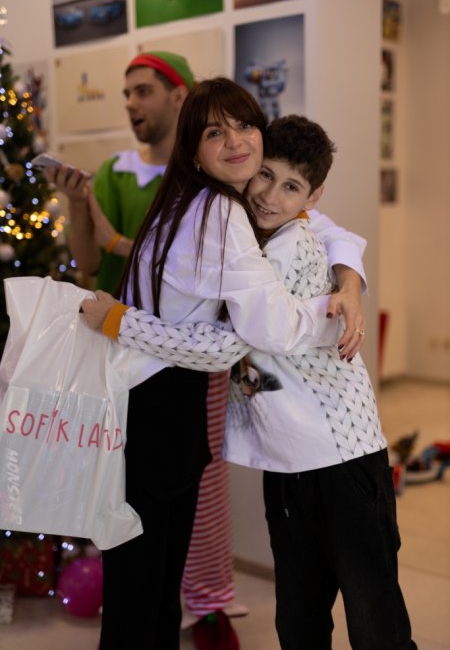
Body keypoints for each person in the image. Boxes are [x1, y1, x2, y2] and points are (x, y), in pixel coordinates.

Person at [80, 77, 369, 649]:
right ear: (194, 148)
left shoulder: (193, 198)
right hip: (158, 410)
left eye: (244, 125)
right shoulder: (220, 211)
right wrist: (333, 318)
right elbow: (243, 339)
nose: (235, 141)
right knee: (145, 590)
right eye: (215, 132)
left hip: (151, 407)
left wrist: (350, 281)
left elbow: (325, 226)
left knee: (149, 588)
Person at [45, 52, 247, 625]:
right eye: (126, 93)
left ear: (179, 95)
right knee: (138, 513)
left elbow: (191, 274)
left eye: (143, 91)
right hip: (123, 361)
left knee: (196, 491)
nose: (131, 103)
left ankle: (205, 600)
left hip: (186, 361)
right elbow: (87, 262)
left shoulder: (209, 181)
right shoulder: (116, 172)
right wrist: (78, 204)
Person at [218, 114, 416, 650]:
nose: (269, 195)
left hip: (344, 457)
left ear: (311, 196)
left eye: (290, 186)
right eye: (265, 175)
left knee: (374, 618)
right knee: (300, 616)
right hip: (288, 461)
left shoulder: (291, 246)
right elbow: (335, 232)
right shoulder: (246, 232)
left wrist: (123, 326)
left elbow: (230, 341)